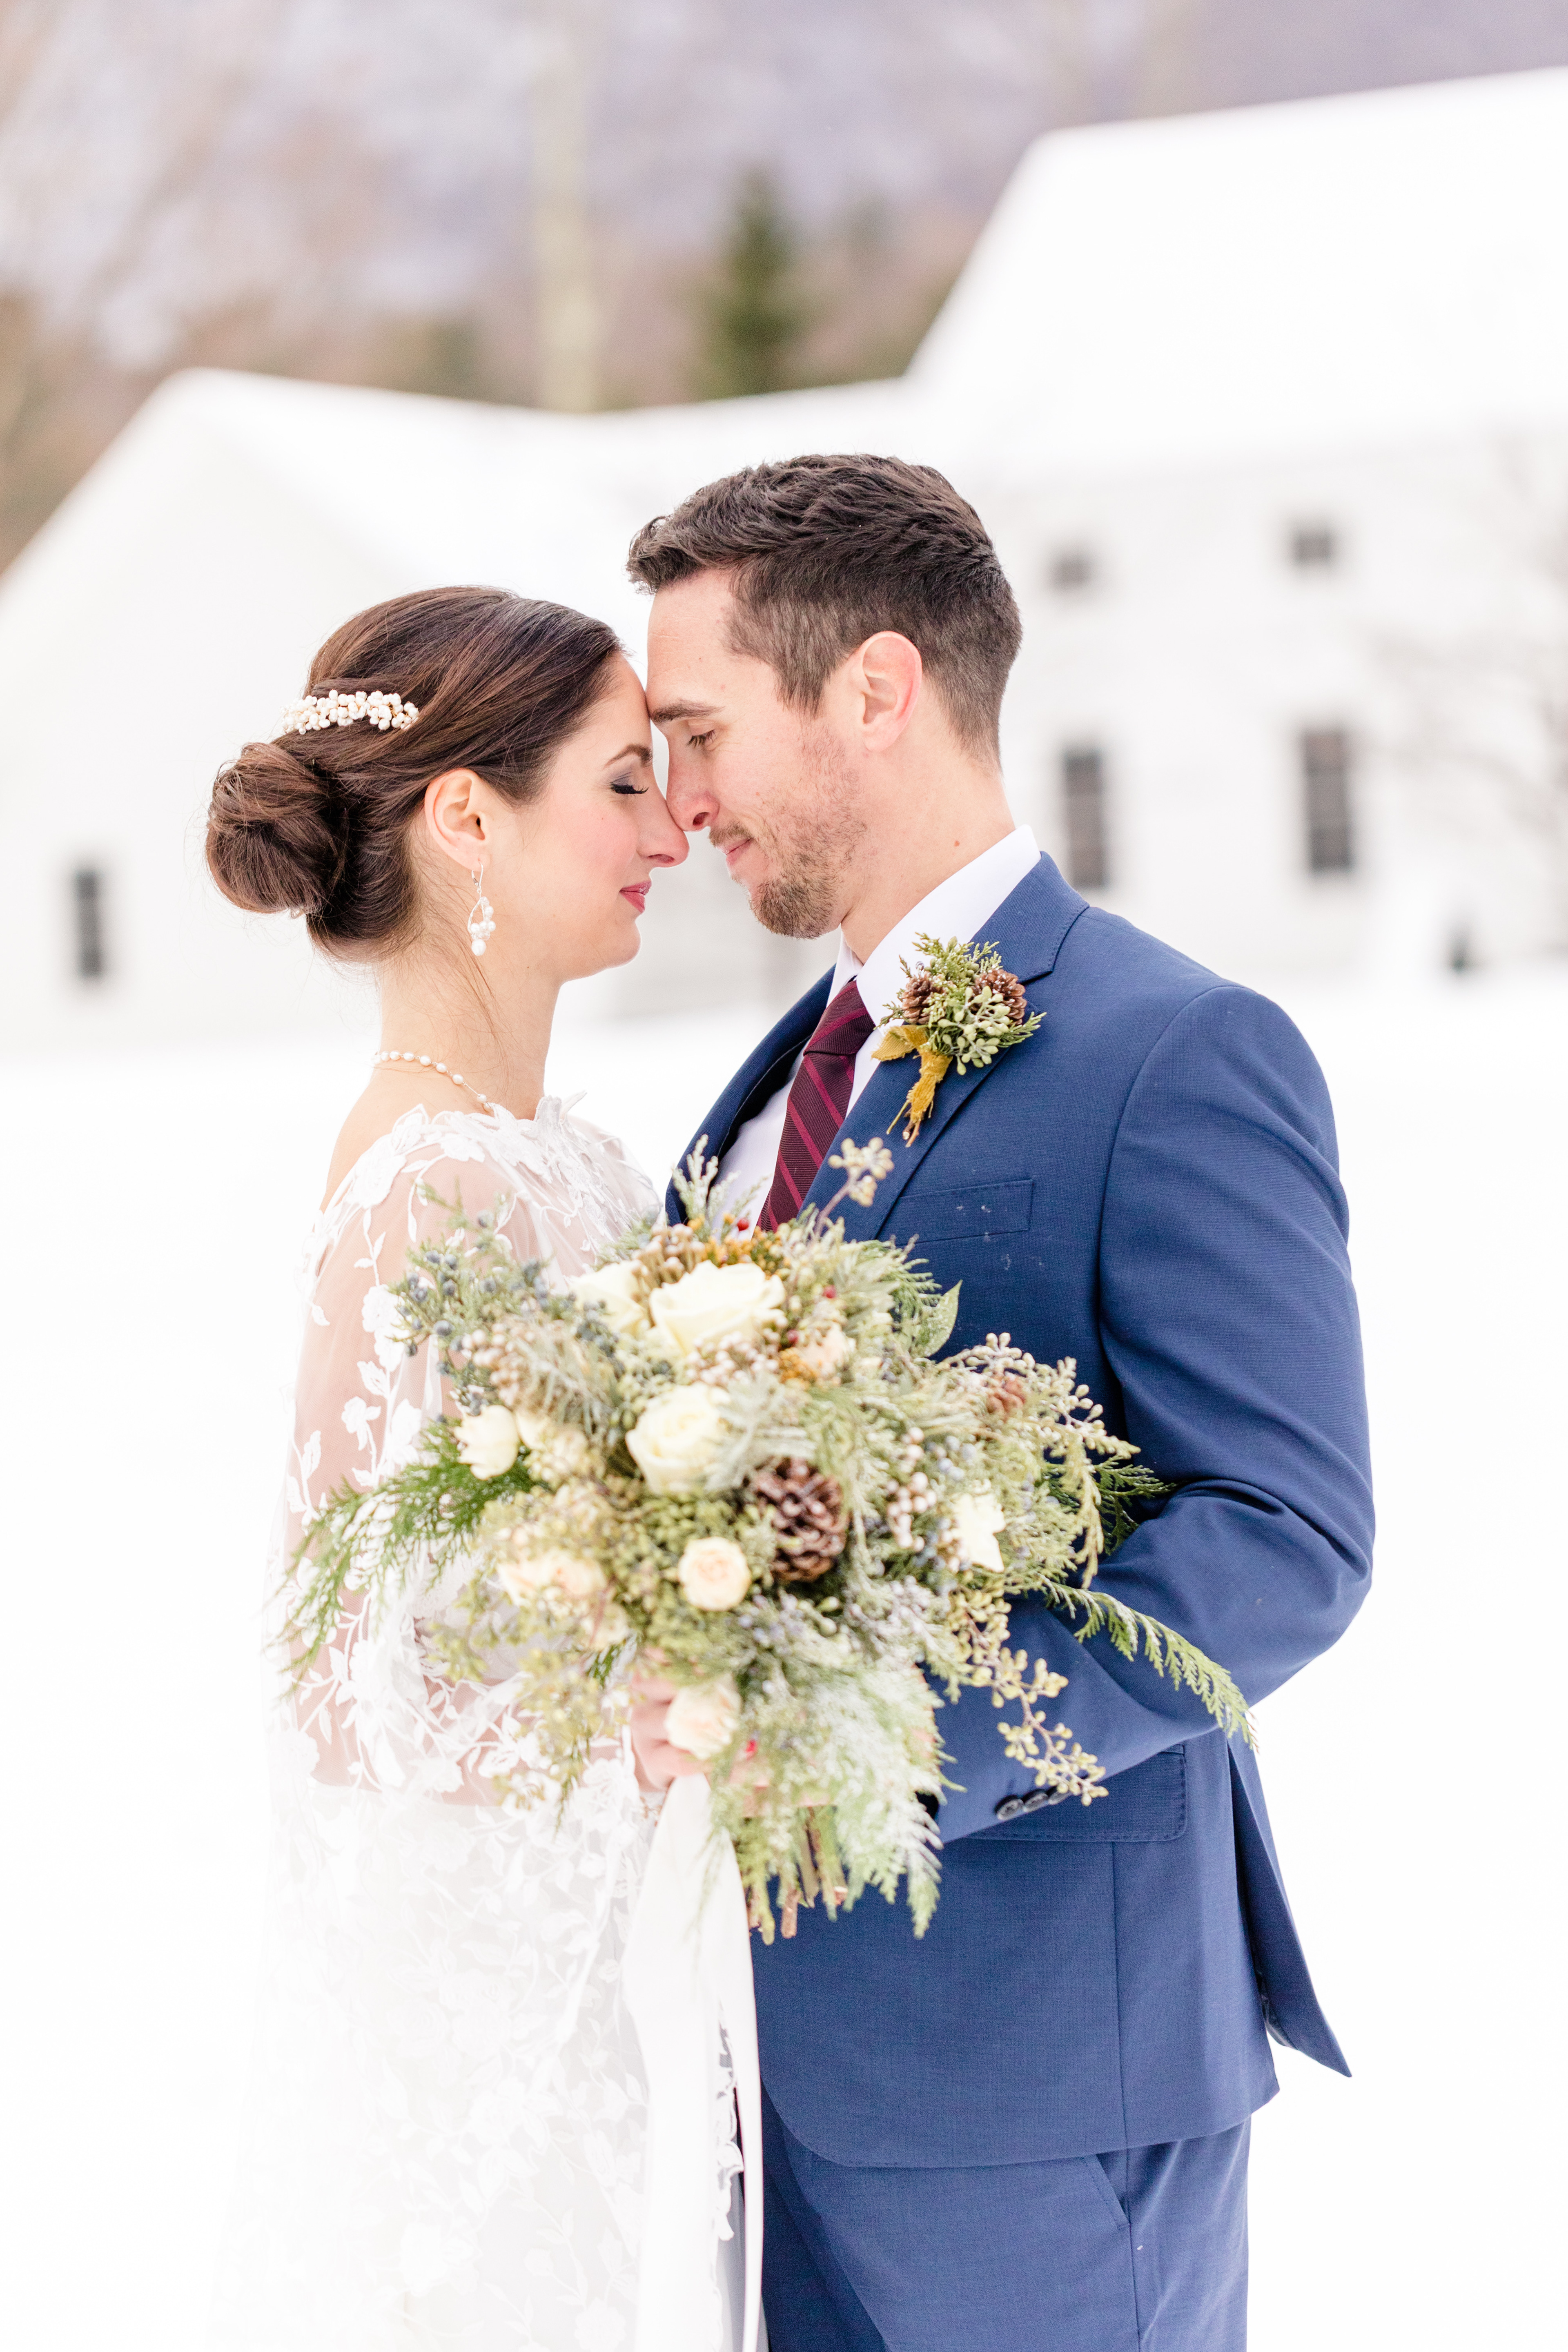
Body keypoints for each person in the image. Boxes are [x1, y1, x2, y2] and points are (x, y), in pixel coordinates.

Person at [628, 455, 1374, 2352]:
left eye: (702, 728)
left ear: (873, 691)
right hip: (764, 2070)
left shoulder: (1175, 1050)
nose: (682, 798)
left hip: (1051, 2068)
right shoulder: (770, 1085)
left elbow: (1285, 1539)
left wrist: (883, 1754)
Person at [204, 586, 710, 2350]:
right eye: (626, 784)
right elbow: (341, 1688)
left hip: (609, 1966)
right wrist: (648, 1712)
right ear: (471, 816)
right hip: (490, 2037)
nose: (676, 831)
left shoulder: (551, 1156)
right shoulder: (430, 1185)